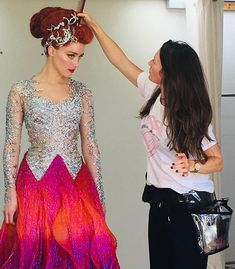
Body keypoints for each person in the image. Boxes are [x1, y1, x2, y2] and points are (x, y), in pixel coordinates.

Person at [79, 13, 224, 269]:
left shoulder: (190, 112)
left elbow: (217, 161)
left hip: (188, 209)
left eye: (154, 60)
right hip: (159, 202)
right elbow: (120, 61)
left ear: (167, 71)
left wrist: (193, 166)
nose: (148, 62)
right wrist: (96, 27)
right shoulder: (155, 91)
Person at [0, 7, 120, 269]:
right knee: (36, 248)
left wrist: (99, 196)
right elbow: (12, 143)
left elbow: (90, 145)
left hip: (76, 183)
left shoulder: (82, 92)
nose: (75, 63)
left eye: (80, 57)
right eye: (70, 55)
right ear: (51, 48)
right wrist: (9, 193)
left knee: (81, 248)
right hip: (34, 182)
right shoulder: (21, 91)